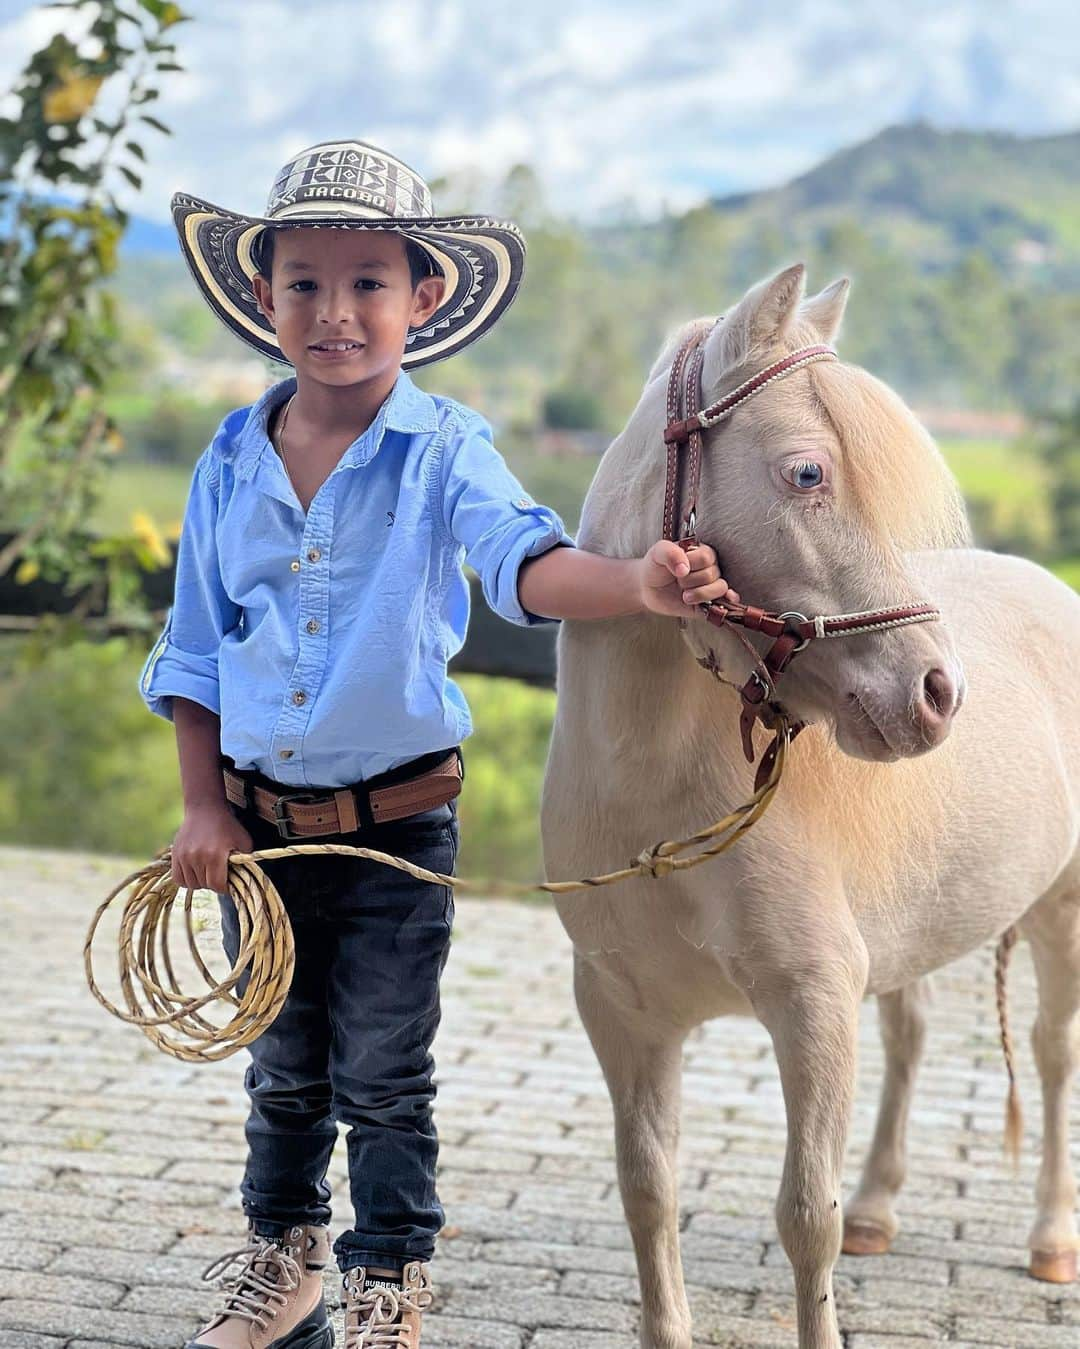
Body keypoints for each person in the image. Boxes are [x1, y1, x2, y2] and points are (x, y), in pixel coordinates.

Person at [139, 139, 735, 1349]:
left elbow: (524, 563)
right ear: (265, 297)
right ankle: (285, 1259)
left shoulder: (445, 449)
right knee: (282, 1062)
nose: (336, 311)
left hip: (396, 825)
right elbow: (197, 647)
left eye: (369, 282)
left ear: (424, 299)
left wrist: (635, 582)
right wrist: (204, 807)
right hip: (255, 829)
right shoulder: (228, 460)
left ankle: (388, 1279)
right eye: (305, 281)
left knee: (381, 1072)